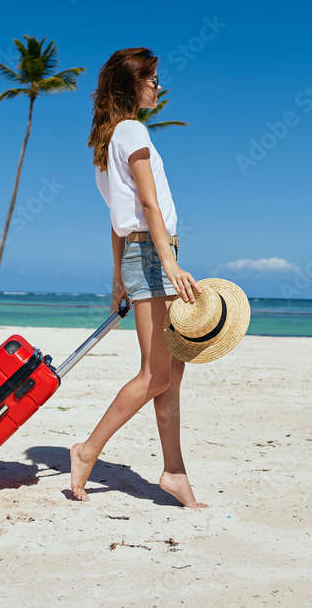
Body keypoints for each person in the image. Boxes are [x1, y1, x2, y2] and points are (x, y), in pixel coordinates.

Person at [73, 47, 206, 508]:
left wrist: (118, 282)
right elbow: (147, 206)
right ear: (132, 84)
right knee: (155, 374)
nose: (158, 86)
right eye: (152, 79)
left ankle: (174, 472)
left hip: (144, 254)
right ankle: (86, 451)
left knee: (173, 372)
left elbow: (118, 221)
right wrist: (167, 262)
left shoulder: (104, 147)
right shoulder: (131, 131)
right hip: (154, 254)